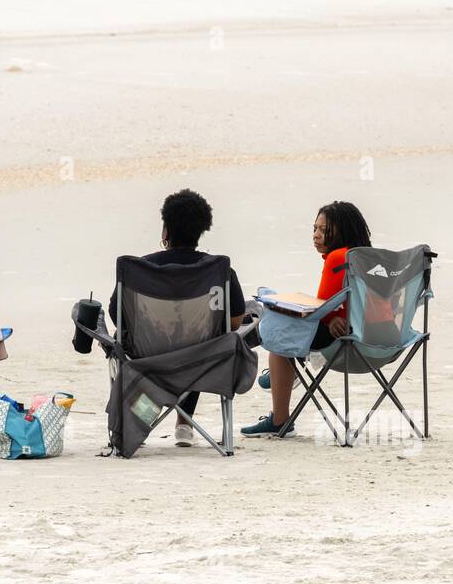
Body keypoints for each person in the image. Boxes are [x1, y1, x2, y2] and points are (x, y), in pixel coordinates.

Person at [110, 189, 248, 447]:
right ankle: (184, 424)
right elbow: (234, 322)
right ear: (201, 231)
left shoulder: (139, 268)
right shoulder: (219, 270)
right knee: (197, 339)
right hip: (203, 362)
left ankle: (145, 418)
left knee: (177, 340)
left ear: (165, 231)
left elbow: (118, 317)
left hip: (146, 358)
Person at [242, 200, 370, 437]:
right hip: (374, 337)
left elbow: (321, 309)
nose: (316, 235)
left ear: (343, 230)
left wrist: (330, 319)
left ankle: (280, 419)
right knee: (281, 321)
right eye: (315, 229)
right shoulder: (367, 258)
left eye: (324, 230)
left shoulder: (338, 258)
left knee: (277, 329)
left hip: (341, 338)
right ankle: (284, 369)